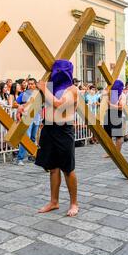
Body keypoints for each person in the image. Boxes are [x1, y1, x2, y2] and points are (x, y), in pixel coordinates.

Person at [35, 60, 79, 217]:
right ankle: (54, 201)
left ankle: (74, 203)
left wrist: (43, 88)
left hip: (63, 130)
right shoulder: (51, 88)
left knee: (68, 169)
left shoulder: (72, 89)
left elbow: (59, 104)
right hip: (49, 129)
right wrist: (24, 107)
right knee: (53, 168)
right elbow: (38, 102)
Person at [15, 78, 41, 166]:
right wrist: (20, 106)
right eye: (29, 84)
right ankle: (20, 158)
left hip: (36, 118)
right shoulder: (24, 94)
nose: (30, 85)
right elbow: (14, 104)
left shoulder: (39, 94)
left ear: (35, 84)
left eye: (32, 84)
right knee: (26, 137)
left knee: (33, 138)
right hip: (27, 118)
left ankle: (32, 155)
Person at [103, 80, 127, 157]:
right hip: (108, 114)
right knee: (107, 134)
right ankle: (109, 152)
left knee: (118, 135)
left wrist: (110, 104)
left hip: (116, 114)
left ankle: (117, 152)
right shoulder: (110, 93)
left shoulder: (122, 95)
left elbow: (121, 107)